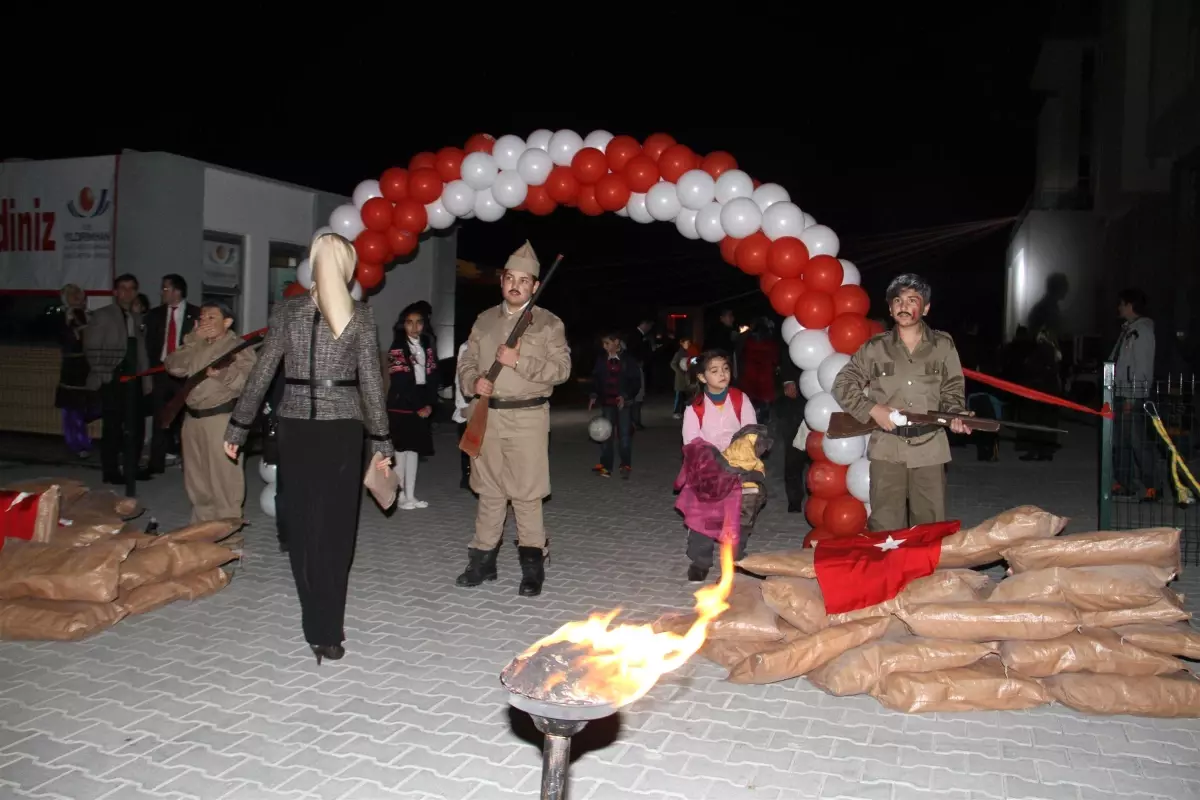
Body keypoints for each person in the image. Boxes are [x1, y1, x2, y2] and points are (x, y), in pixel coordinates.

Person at [224, 232, 393, 665]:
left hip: (304, 428)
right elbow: (371, 385)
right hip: (338, 431)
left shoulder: (292, 311)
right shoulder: (359, 316)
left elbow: (263, 372)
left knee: (306, 528)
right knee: (331, 532)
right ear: (348, 266)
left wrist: (238, 426)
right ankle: (328, 630)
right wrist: (380, 439)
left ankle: (319, 623)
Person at [455, 240, 571, 597]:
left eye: (524, 280)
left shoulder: (549, 324)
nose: (516, 285)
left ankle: (532, 566)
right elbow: (466, 361)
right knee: (488, 491)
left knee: (526, 494)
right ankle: (483, 561)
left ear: (535, 285)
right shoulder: (484, 320)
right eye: (510, 278)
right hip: (487, 415)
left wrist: (518, 361)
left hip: (528, 417)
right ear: (502, 281)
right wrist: (472, 380)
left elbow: (562, 370)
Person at [831, 273, 970, 531]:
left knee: (930, 527)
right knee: (885, 526)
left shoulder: (943, 345)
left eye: (912, 300)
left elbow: (952, 389)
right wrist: (871, 408)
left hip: (930, 449)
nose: (904, 306)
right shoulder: (875, 347)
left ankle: (926, 573)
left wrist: (955, 415)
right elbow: (842, 384)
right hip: (887, 448)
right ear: (890, 307)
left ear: (926, 308)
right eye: (898, 300)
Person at [164, 300, 257, 522]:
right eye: (202, 318)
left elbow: (249, 382)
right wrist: (193, 340)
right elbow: (173, 366)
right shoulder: (196, 344)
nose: (205, 322)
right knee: (197, 479)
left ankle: (228, 530)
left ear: (227, 322)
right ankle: (202, 526)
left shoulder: (238, 347)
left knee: (224, 479)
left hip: (221, 418)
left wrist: (223, 375)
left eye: (211, 317)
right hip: (193, 419)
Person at [680, 350, 758, 579]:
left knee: (739, 515)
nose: (722, 374)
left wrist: (738, 459)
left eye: (725, 369)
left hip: (738, 466)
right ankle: (701, 560)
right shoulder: (694, 407)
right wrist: (712, 461)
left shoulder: (739, 398)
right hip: (707, 469)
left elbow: (750, 431)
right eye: (714, 371)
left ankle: (734, 557)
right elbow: (691, 440)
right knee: (703, 515)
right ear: (702, 377)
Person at [83, 274, 152, 485]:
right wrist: (103, 371)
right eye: (123, 288)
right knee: (113, 427)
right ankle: (110, 471)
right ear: (115, 292)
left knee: (136, 426)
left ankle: (132, 467)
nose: (127, 293)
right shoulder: (103, 315)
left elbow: (141, 351)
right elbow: (91, 347)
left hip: (135, 379)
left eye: (132, 288)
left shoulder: (137, 317)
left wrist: (146, 379)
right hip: (113, 378)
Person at [145, 274, 200, 474]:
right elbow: (149, 345)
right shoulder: (154, 315)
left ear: (177, 291)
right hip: (160, 372)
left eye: (166, 288)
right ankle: (156, 463)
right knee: (160, 417)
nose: (162, 292)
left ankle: (189, 463)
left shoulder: (196, 314)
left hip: (185, 374)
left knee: (187, 419)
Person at [386, 302, 438, 509]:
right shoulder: (397, 348)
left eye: (419, 322)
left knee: (415, 451)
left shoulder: (427, 346)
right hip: (402, 403)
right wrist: (418, 405)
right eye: (409, 323)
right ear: (402, 325)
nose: (414, 327)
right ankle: (398, 496)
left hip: (422, 401)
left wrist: (430, 404)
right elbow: (401, 380)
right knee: (400, 452)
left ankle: (411, 495)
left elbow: (433, 377)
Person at [1110, 287, 1158, 500]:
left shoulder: (1142, 332)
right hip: (1121, 392)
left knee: (1138, 442)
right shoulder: (1128, 330)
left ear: (1130, 305)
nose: (1119, 307)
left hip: (1133, 395)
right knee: (1120, 441)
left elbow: (1142, 368)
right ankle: (1124, 482)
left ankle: (1153, 486)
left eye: (1121, 303)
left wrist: (1132, 396)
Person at [588, 332, 641, 478]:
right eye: (603, 344)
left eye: (607, 343)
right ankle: (606, 466)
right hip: (607, 402)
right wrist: (593, 395)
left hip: (623, 404)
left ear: (616, 342)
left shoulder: (628, 360)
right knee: (605, 434)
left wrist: (625, 395)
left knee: (624, 436)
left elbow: (636, 381)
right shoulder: (601, 360)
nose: (604, 347)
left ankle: (625, 464)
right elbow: (596, 379)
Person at [55, 284, 97, 459]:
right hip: (72, 366)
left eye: (79, 294)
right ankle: (77, 442)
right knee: (72, 408)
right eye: (72, 295)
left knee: (86, 406)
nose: (77, 297)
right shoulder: (65, 316)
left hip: (86, 365)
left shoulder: (88, 316)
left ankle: (81, 441)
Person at [777, 335, 808, 513]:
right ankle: (794, 499)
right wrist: (788, 380)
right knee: (794, 450)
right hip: (796, 399)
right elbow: (788, 347)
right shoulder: (797, 330)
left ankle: (820, 496)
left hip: (826, 397)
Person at [452, 341, 472, 490]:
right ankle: (467, 476)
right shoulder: (466, 346)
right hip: (468, 403)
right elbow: (459, 378)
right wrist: (462, 405)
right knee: (467, 444)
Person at [669, 337, 695, 418]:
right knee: (679, 395)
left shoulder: (690, 352)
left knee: (687, 395)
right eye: (687, 343)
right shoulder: (679, 354)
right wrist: (680, 372)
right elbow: (673, 364)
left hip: (688, 376)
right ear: (682, 344)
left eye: (689, 343)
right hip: (681, 378)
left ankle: (684, 411)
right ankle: (676, 412)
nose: (688, 344)